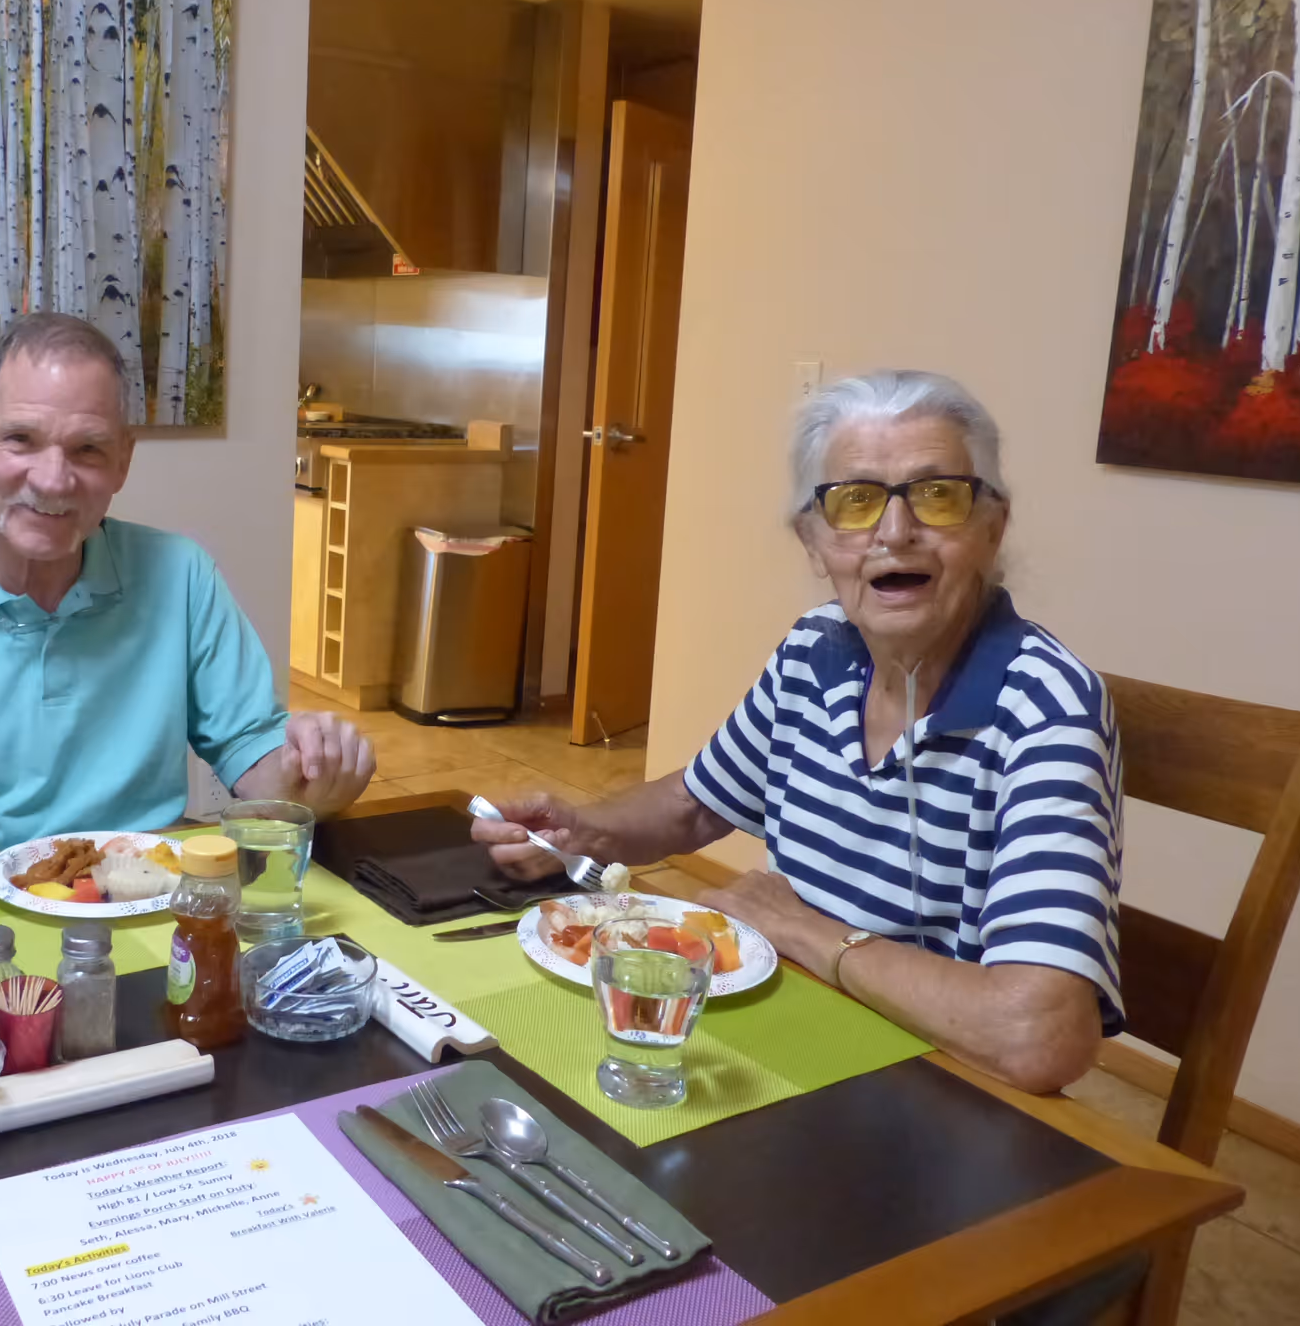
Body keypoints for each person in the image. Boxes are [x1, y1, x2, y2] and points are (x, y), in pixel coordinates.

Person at [474, 370, 1120, 1094]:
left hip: (932, 1089)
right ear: (814, 542)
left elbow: (1038, 1036)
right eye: (856, 501)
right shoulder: (818, 650)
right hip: (788, 1034)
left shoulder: (1045, 706)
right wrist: (581, 832)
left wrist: (805, 930)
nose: (895, 531)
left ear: (992, 527)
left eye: (938, 496)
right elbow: (697, 803)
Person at [0, 312, 375, 907]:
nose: (53, 479)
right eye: (21, 440)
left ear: (123, 460)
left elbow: (260, 770)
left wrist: (317, 770)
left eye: (87, 449)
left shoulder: (182, 577)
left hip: (147, 911)